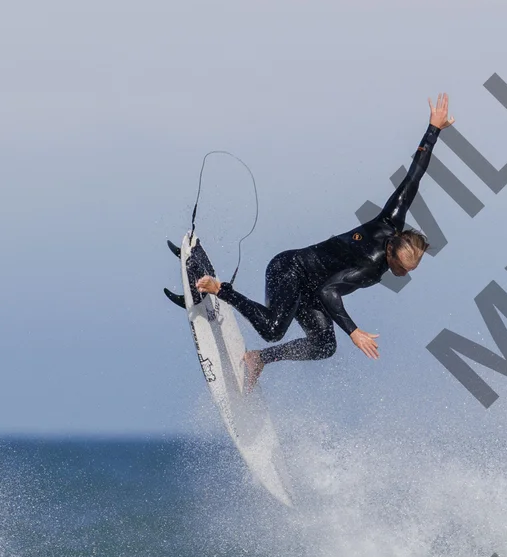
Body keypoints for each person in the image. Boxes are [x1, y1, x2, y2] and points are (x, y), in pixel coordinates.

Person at [193, 94, 455, 385]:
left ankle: (258, 359)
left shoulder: (392, 221)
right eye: (402, 267)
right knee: (272, 329)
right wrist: (354, 331)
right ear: (391, 251)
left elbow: (414, 178)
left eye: (410, 269)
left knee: (324, 346)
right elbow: (330, 292)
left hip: (311, 288)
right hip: (290, 269)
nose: (404, 273)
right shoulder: (371, 264)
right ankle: (221, 289)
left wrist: (434, 130)